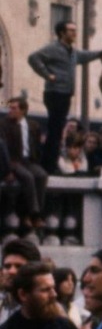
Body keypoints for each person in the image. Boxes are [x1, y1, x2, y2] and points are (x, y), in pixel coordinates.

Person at [28, 19, 102, 172]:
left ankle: (50, 164)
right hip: (55, 93)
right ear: (61, 33)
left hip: (64, 94)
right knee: (55, 130)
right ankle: (49, 165)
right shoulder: (53, 48)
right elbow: (33, 58)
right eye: (71, 30)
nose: (74, 33)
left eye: (75, 30)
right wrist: (47, 75)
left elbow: (85, 55)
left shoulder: (71, 52)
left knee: (57, 130)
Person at [1, 96, 49, 230]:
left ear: (23, 110)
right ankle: (32, 214)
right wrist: (7, 169)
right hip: (13, 160)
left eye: (14, 108)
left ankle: (34, 215)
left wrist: (36, 159)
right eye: (10, 108)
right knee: (27, 177)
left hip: (29, 160)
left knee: (41, 175)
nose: (10, 111)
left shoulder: (33, 125)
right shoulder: (4, 124)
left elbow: (37, 145)